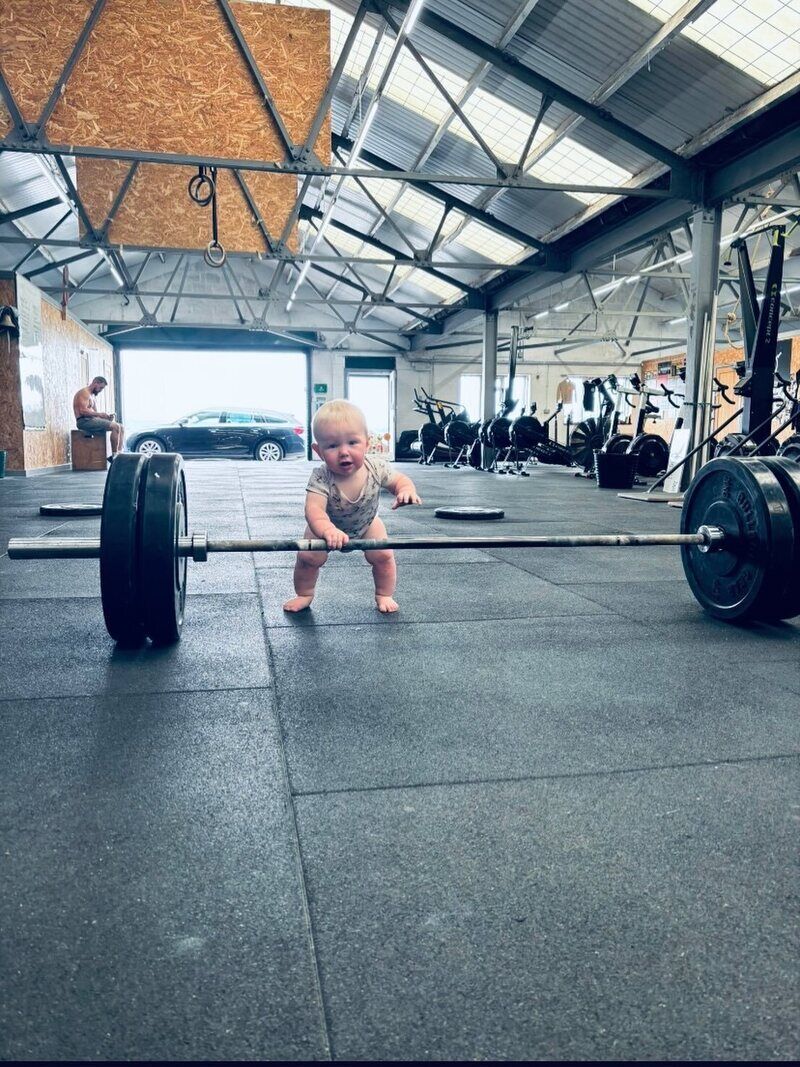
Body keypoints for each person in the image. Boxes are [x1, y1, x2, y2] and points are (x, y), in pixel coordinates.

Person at [283, 399, 421, 614]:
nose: (344, 452)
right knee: (308, 558)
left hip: (367, 523)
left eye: (352, 442)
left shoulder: (376, 468)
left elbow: (399, 480)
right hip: (325, 526)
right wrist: (327, 530)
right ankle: (305, 593)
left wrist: (405, 491)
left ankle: (384, 594)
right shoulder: (321, 477)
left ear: (367, 443)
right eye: (332, 446)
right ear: (318, 451)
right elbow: (314, 510)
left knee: (383, 557)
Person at [72, 376, 125, 457]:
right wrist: (99, 414)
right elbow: (82, 411)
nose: (100, 390)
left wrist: (106, 418)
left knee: (121, 427)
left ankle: (120, 454)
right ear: (95, 383)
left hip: (91, 420)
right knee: (116, 427)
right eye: (100, 388)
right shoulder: (84, 393)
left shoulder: (92, 396)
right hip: (83, 421)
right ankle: (115, 456)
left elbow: (95, 414)